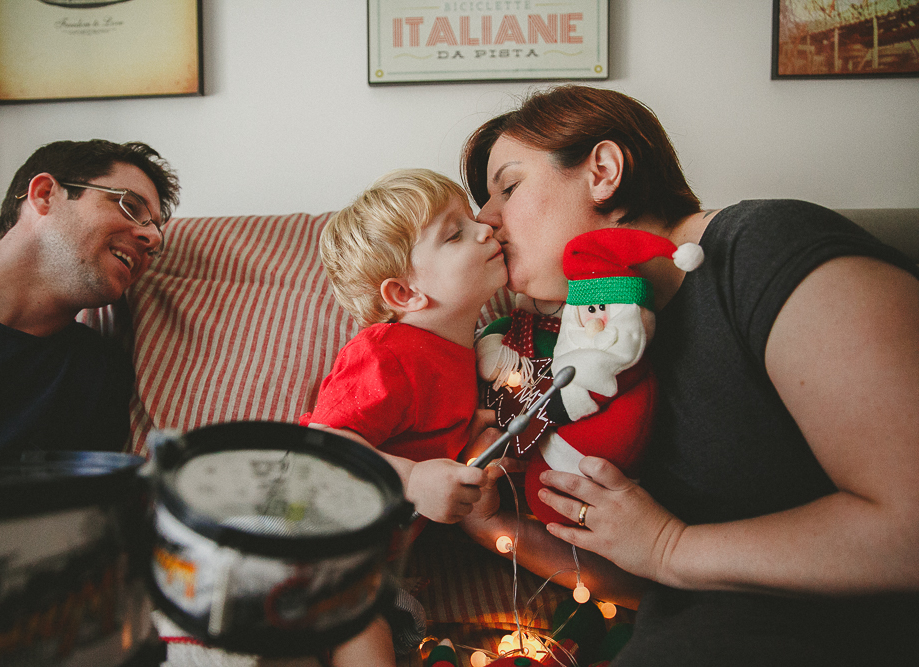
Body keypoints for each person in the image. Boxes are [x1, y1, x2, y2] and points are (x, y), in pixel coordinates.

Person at [457, 85, 919, 665]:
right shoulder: (597, 342)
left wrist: (672, 546)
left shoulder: (761, 249)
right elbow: (656, 579)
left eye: (509, 186)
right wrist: (495, 525)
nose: (484, 218)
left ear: (602, 172)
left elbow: (910, 526)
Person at [300, 168, 507, 666]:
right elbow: (324, 450)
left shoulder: (467, 354)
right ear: (404, 295)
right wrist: (413, 479)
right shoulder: (387, 352)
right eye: (454, 233)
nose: (485, 227)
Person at [0, 139, 179, 455]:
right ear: (45, 195)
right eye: (131, 206)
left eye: (156, 233)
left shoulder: (97, 376)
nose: (152, 239)